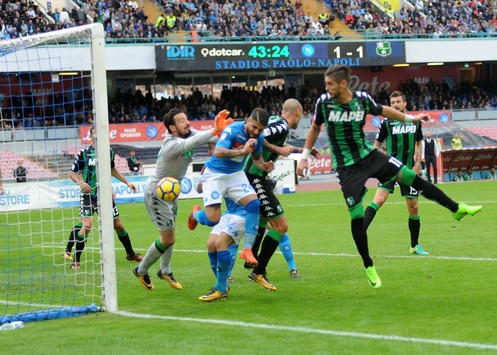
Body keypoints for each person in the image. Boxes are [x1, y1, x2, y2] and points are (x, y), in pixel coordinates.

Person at [297, 65, 482, 288]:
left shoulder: (362, 99)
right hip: (346, 168)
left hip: (369, 155)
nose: (326, 88)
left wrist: (411, 119)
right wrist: (305, 156)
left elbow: (384, 110)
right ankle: (368, 265)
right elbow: (315, 128)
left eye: (329, 84)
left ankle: (456, 209)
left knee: (412, 178)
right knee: (356, 218)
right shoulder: (323, 103)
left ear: (343, 84)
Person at [133, 108, 233, 291]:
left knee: (169, 236)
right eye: (181, 121)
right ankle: (141, 270)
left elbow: (208, 138)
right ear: (172, 127)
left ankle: (165, 271)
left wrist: (228, 133)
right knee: (167, 238)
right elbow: (196, 141)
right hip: (157, 193)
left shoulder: (190, 132)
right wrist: (214, 130)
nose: (187, 122)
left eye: (186, 119)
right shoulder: (171, 144)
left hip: (171, 192)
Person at [244, 99, 319, 290]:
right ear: (298, 113)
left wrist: (304, 150)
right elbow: (258, 138)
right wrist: (278, 150)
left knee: (262, 220)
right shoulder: (282, 126)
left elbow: (276, 142)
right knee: (280, 225)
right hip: (255, 177)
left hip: (254, 176)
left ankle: (251, 258)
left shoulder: (276, 121)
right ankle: (258, 270)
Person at [188, 108, 274, 267]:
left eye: (260, 129)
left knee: (255, 204)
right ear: (247, 119)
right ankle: (196, 215)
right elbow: (219, 152)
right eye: (254, 127)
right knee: (213, 219)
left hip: (235, 173)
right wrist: (241, 151)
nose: (256, 132)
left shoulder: (259, 138)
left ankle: (247, 249)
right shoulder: (233, 130)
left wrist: (265, 166)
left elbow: (256, 159)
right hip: (215, 173)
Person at [63, 127, 143, 270]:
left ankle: (130, 254)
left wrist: (127, 182)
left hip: (105, 195)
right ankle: (76, 261)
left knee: (119, 225)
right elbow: (72, 173)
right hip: (88, 195)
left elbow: (112, 170)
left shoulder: (109, 152)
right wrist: (81, 183)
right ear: (92, 136)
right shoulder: (84, 153)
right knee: (87, 225)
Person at [363, 91, 428, 255]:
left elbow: (419, 143)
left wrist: (418, 163)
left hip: (408, 170)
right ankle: (359, 236)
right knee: (378, 199)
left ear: (405, 103)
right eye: (393, 103)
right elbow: (376, 144)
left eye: (398, 102)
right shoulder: (386, 123)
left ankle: (415, 246)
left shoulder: (415, 122)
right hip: (389, 169)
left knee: (413, 207)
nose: (395, 105)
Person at [197, 181, 245, 302]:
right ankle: (223, 286)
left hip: (243, 213)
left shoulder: (241, 169)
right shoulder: (216, 169)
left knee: (220, 243)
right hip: (229, 213)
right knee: (211, 244)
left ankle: (220, 289)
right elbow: (199, 188)